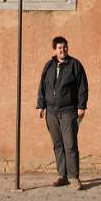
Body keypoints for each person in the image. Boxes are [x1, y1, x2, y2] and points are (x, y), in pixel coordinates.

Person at [36, 36, 88, 190]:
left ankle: (74, 178)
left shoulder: (75, 65)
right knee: (58, 145)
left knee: (70, 145)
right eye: (59, 48)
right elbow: (42, 86)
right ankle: (62, 176)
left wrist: (81, 106)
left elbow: (83, 87)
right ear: (55, 49)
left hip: (68, 111)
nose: (62, 50)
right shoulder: (49, 66)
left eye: (65, 47)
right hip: (51, 112)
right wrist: (40, 106)